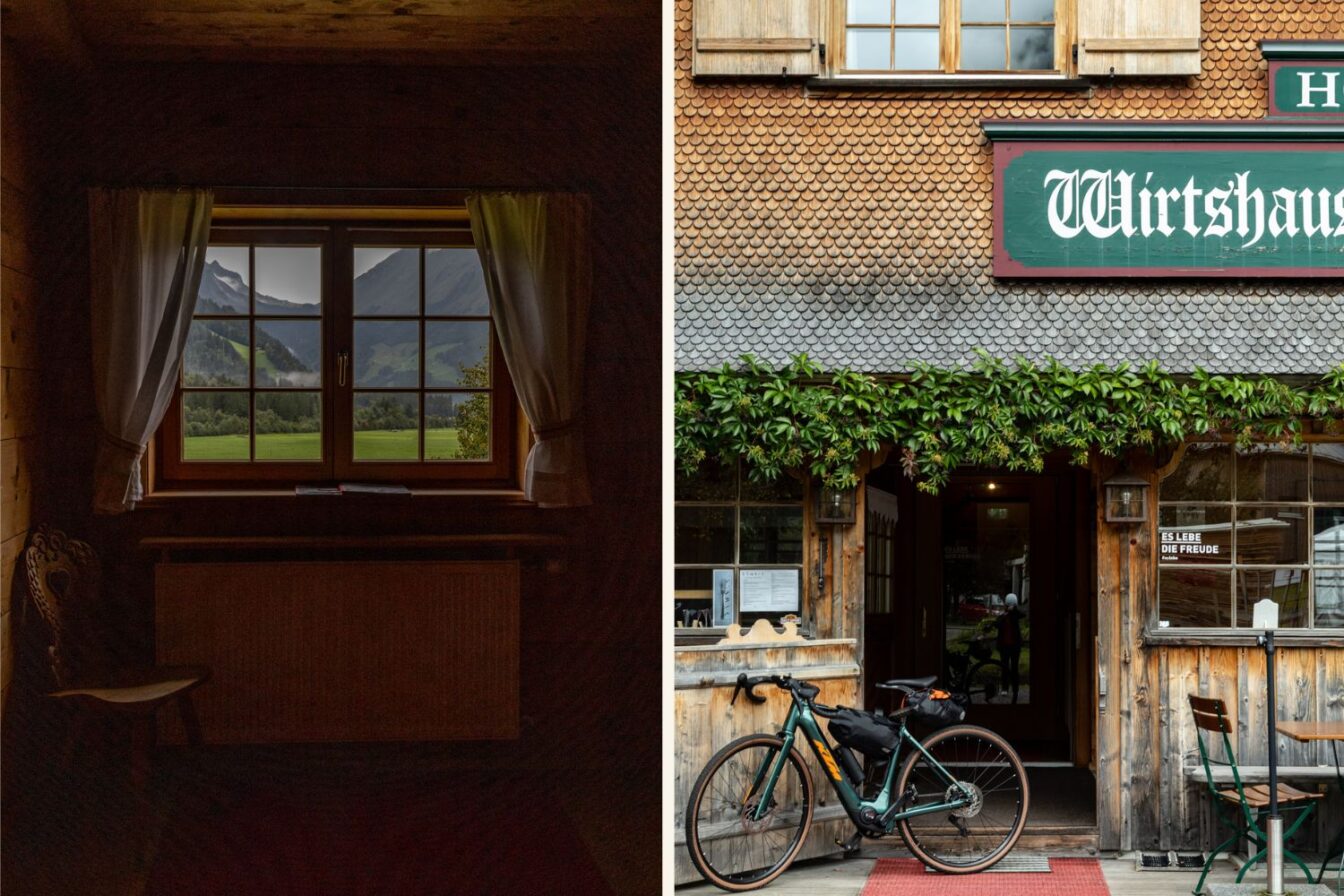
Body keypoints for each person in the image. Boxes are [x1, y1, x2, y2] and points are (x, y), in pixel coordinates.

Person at [995, 593, 1024, 704]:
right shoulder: (1003, 615)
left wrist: (1013, 610)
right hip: (1004, 646)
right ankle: (1005, 688)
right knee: (1004, 667)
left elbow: (1022, 614)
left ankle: (1015, 689)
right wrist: (1004, 614)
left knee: (1014, 668)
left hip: (1015, 646)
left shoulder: (1015, 615)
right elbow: (997, 624)